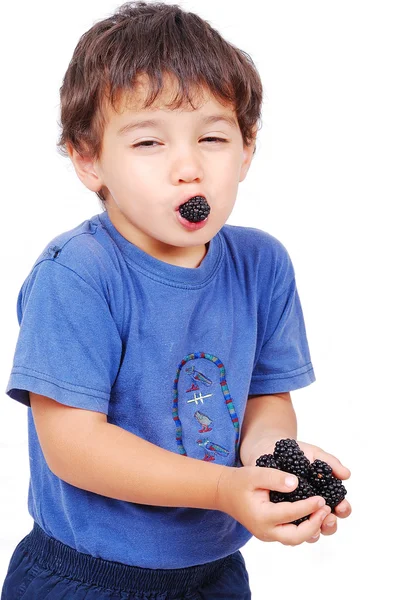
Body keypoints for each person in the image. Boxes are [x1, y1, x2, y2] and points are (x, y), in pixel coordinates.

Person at [1, 2, 351, 598]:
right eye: (149, 143)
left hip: (214, 572)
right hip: (88, 578)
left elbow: (267, 398)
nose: (188, 169)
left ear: (246, 149)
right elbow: (75, 447)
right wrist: (221, 489)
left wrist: (277, 463)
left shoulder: (261, 265)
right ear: (88, 159)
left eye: (212, 137)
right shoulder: (79, 275)